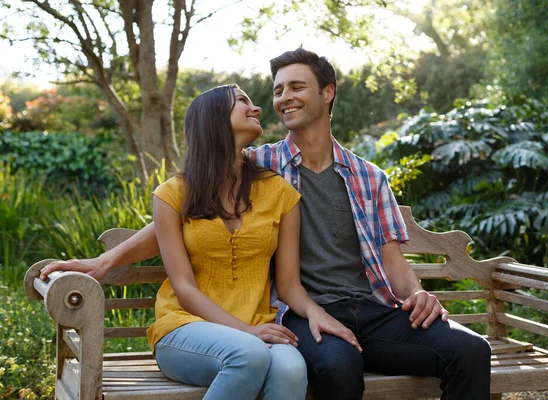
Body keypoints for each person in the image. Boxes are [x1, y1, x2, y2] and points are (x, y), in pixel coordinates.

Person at [41, 49, 492, 399]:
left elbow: (393, 260)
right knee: (335, 365)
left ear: (327, 92)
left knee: (471, 350)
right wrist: (107, 260)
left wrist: (417, 295)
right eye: (277, 91)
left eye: (296, 87)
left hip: (371, 310)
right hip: (297, 312)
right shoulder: (257, 163)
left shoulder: (369, 177)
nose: (282, 99)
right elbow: (180, 212)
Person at [100, 84, 359, 400]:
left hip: (259, 330)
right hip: (184, 330)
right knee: (248, 354)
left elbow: (290, 285)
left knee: (292, 369)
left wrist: (316, 312)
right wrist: (246, 332)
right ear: (213, 119)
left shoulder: (280, 193)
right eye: (242, 102)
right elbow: (184, 287)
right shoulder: (172, 194)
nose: (257, 108)